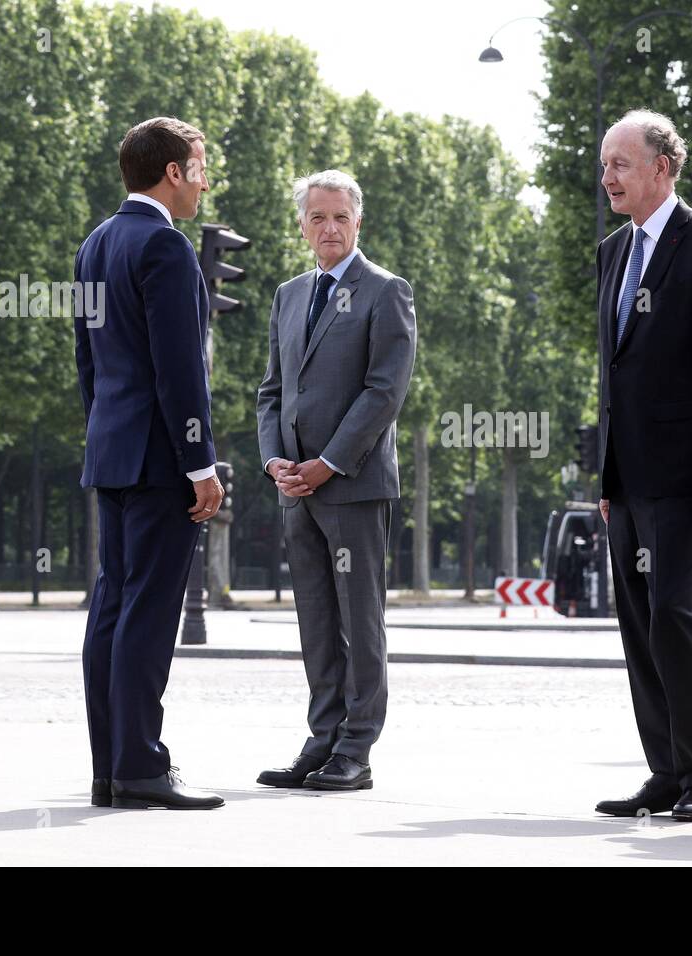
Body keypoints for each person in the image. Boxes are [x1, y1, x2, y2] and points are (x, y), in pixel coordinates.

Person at [593, 110, 692, 822]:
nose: (608, 177)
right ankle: (663, 771)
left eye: (621, 164)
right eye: (605, 165)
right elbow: (612, 371)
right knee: (637, 627)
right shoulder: (610, 252)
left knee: (675, 620)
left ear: (663, 167)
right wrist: (604, 479)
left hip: (684, 477)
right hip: (624, 480)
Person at [74, 117, 225, 810]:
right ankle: (141, 766)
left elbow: (88, 364)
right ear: (171, 172)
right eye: (198, 167)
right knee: (148, 611)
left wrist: (106, 433)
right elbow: (180, 369)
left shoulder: (93, 245)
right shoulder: (165, 246)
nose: (203, 180)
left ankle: (111, 767)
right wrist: (201, 462)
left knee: (111, 605)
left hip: (110, 451)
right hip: (162, 458)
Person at [255, 170, 417, 792]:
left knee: (359, 619)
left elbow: (384, 393)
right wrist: (276, 462)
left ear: (358, 222)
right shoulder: (289, 295)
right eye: (317, 217)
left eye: (340, 217)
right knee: (317, 619)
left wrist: (328, 462)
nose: (329, 228)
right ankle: (321, 739)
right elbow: (273, 391)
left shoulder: (385, 291)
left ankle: (356, 749)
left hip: (351, 484)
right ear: (302, 225)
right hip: (295, 486)